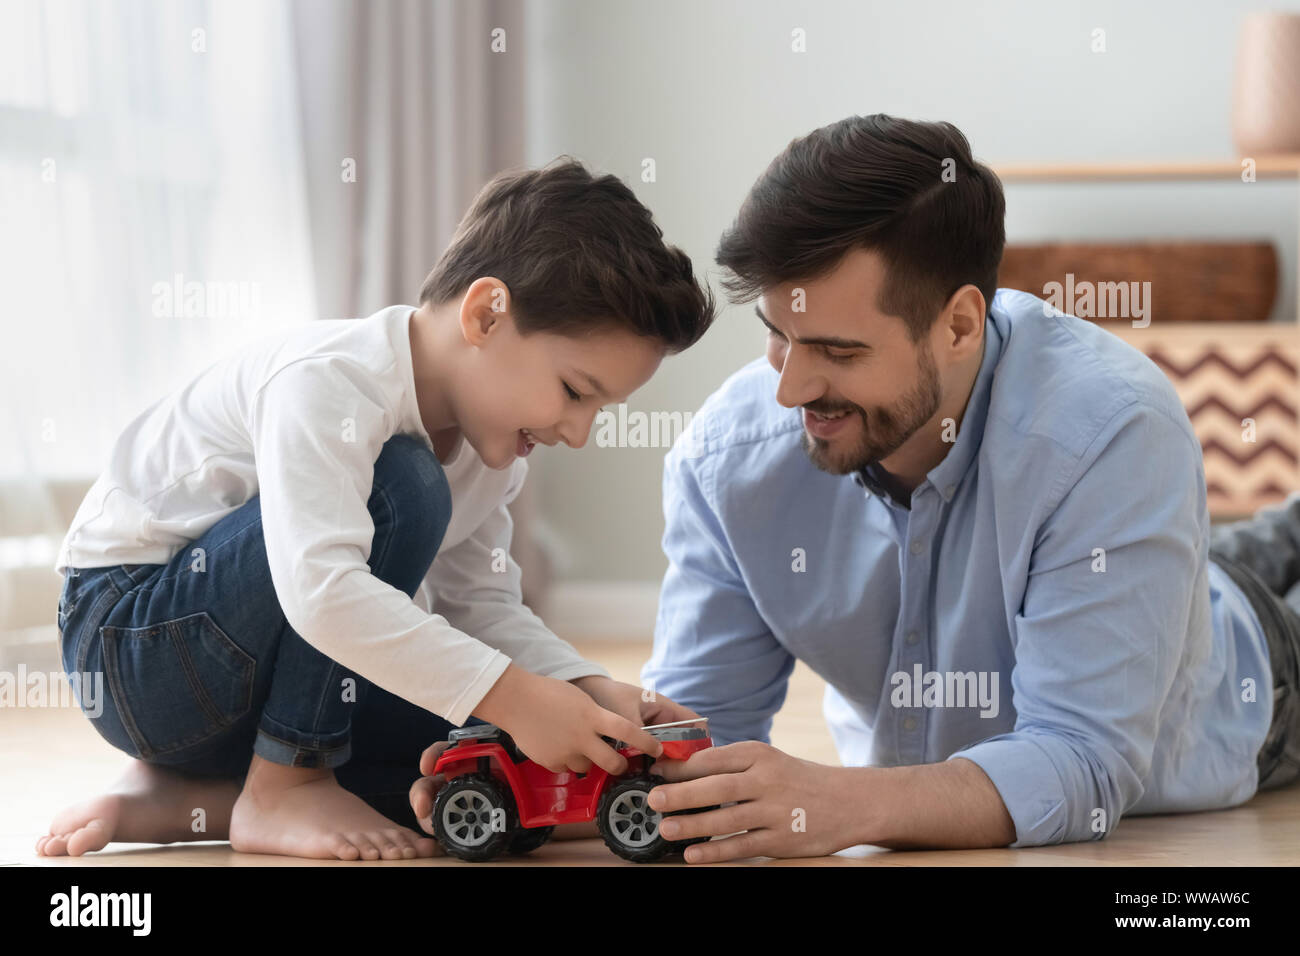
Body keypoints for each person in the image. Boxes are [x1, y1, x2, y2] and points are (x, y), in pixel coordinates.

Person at [630, 114, 1298, 862]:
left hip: (1252, 680)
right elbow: (693, 739)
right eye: (778, 334)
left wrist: (839, 804)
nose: (790, 390)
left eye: (837, 351)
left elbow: (1081, 761)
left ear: (959, 325)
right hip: (1138, 569)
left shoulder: (1110, 432)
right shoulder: (731, 458)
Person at [39, 157, 713, 860]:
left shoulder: (492, 457)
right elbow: (323, 594)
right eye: (576, 392)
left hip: (236, 685)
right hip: (133, 646)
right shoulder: (332, 382)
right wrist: (514, 694)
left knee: (481, 747)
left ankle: (191, 801)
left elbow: (480, 606)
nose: (577, 433)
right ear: (487, 313)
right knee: (405, 487)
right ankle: (286, 783)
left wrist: (583, 690)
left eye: (600, 411)